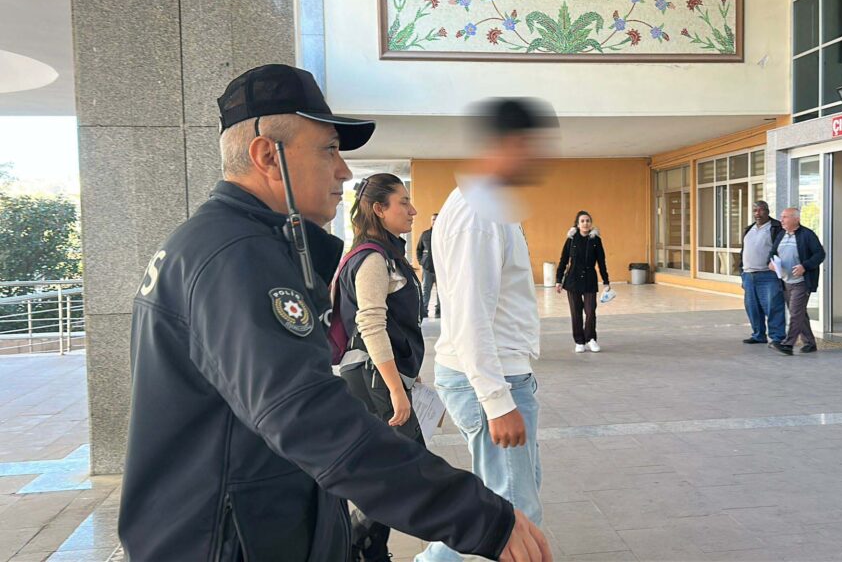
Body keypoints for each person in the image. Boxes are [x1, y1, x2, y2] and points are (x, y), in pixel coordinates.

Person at [120, 65, 551, 562]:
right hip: (225, 541)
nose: (344, 171)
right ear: (268, 156)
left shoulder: (226, 244)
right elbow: (309, 417)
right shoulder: (236, 258)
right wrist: (477, 515)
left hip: (244, 525)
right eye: (329, 150)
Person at [416, 98, 558, 562]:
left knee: (503, 504)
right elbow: (468, 316)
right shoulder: (476, 215)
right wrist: (498, 401)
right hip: (492, 379)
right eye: (534, 147)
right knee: (514, 513)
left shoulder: (490, 207)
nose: (540, 160)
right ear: (510, 144)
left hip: (501, 374)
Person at [336, 173, 425, 561]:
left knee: (388, 470)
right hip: (374, 380)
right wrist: (395, 389)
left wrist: (408, 377)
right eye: (403, 202)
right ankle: (353, 541)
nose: (412, 210)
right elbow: (370, 324)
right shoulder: (373, 258)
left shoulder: (385, 254)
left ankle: (369, 552)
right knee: (406, 471)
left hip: (379, 377)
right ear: (378, 209)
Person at [769, 207, 826, 355]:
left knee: (795, 313)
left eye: (785, 217)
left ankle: (788, 345)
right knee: (799, 313)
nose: (781, 220)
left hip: (801, 282)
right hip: (786, 282)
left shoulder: (807, 234)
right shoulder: (781, 234)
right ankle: (810, 343)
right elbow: (773, 253)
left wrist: (804, 266)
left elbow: (820, 254)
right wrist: (771, 263)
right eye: (781, 217)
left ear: (796, 219)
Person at [555, 210, 610, 353]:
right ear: (578, 224)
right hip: (572, 280)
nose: (585, 223)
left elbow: (601, 262)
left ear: (591, 223)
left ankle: (591, 339)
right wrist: (558, 280)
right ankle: (579, 341)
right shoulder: (571, 240)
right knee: (576, 312)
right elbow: (563, 260)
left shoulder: (596, 240)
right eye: (582, 221)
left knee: (590, 311)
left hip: (590, 280)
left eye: (588, 221)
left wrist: (606, 281)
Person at [739, 201, 786, 346]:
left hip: (768, 275)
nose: (757, 214)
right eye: (755, 211)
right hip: (749, 275)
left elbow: (782, 250)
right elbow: (744, 251)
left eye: (761, 210)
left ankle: (777, 337)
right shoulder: (749, 229)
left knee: (773, 307)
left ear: (767, 211)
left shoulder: (776, 228)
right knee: (752, 307)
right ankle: (758, 335)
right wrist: (742, 272)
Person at [416, 212, 439, 318]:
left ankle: (439, 311)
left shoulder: (444, 234)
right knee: (426, 290)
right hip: (427, 269)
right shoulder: (425, 234)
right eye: (433, 219)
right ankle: (424, 311)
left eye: (437, 219)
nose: (435, 221)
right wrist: (421, 262)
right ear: (431, 221)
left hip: (440, 269)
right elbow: (419, 249)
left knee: (441, 292)